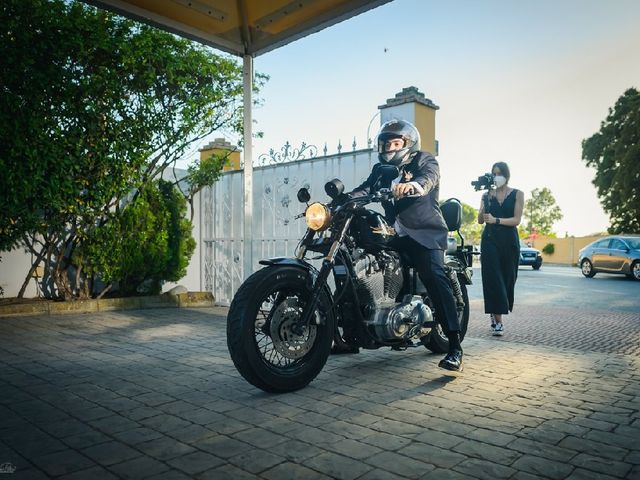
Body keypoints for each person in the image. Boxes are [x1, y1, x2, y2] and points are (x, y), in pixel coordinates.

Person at [350, 119, 464, 371]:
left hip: (425, 233)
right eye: (386, 143)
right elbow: (365, 189)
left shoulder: (424, 159)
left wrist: (414, 185)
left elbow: (428, 177)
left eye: (396, 142)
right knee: (356, 265)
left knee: (433, 275)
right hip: (394, 234)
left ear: (408, 144)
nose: (390, 147)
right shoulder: (381, 170)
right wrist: (340, 201)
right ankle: (349, 334)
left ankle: (455, 345)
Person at [477, 162, 524, 336]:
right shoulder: (486, 195)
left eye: (500, 173)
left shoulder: (518, 194)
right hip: (489, 240)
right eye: (494, 173)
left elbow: (516, 220)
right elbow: (480, 220)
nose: (497, 176)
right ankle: (498, 322)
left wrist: (496, 220)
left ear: (506, 175)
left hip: (509, 240)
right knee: (493, 279)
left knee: (508, 279)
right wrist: (484, 206)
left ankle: (494, 311)